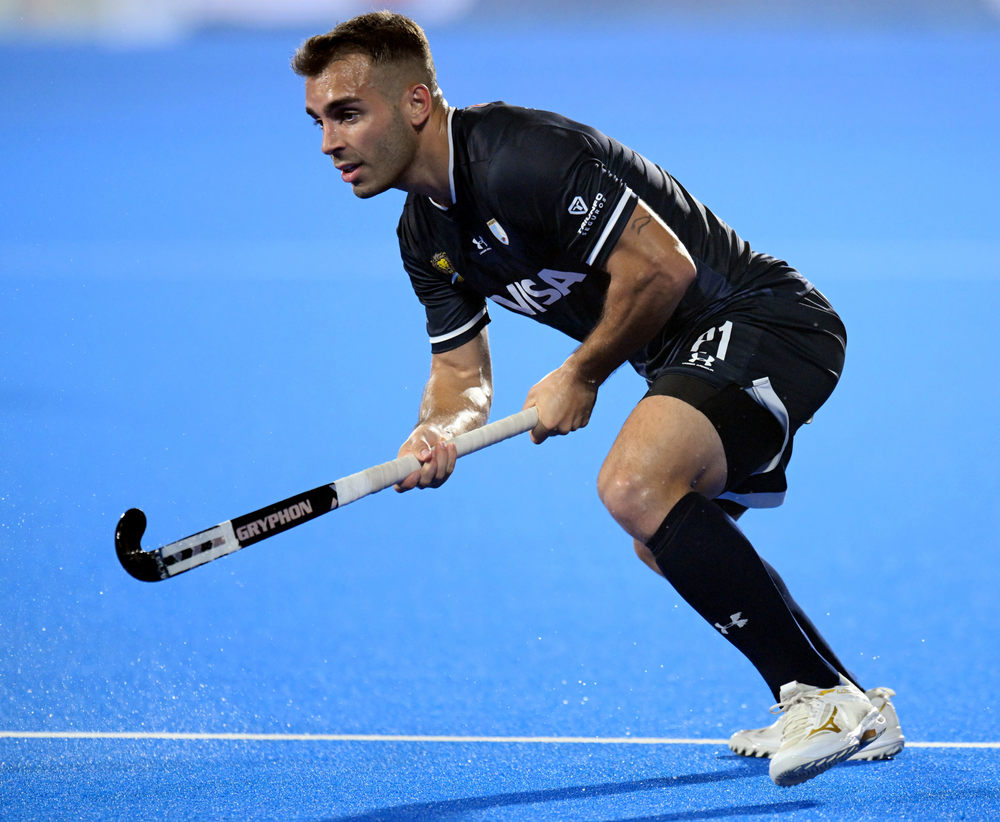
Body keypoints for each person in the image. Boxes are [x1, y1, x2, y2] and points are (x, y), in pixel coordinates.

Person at [292, 11, 904, 787]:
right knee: (665, 538)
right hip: (686, 356)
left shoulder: (519, 155)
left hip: (766, 322)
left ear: (415, 103)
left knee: (634, 484)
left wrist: (581, 374)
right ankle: (854, 703)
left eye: (347, 114)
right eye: (317, 121)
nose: (328, 142)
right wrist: (435, 431)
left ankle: (817, 696)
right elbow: (459, 374)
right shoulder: (424, 237)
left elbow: (663, 268)